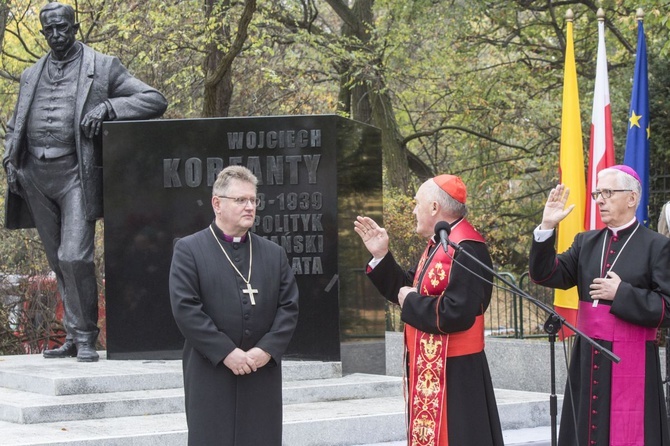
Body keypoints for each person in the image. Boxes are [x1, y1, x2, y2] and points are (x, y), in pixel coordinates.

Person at [2, 2, 168, 362]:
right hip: (34, 176)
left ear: (75, 27)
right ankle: (74, 337)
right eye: (49, 30)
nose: (57, 36)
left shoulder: (103, 66)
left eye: (63, 28)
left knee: (75, 256)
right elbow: (15, 124)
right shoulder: (31, 74)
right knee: (57, 261)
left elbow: (155, 99)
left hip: (76, 174)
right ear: (44, 32)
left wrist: (109, 108)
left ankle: (88, 335)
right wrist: (9, 160)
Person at [354, 174, 504, 446]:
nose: (413, 210)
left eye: (417, 204)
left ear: (434, 207)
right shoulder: (439, 244)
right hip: (432, 365)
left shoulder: (467, 246)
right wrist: (381, 256)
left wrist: (410, 301)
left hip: (456, 372)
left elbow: (456, 312)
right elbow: (406, 289)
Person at [529, 165, 670, 446]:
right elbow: (545, 274)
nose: (600, 200)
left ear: (631, 198)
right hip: (588, 357)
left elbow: (667, 308)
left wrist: (622, 293)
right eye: (597, 193)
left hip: (633, 362)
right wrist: (546, 227)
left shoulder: (657, 246)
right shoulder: (586, 242)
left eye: (607, 192)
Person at [169, 165, 299, 446]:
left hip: (260, 370)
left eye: (253, 200)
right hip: (211, 370)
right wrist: (227, 352)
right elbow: (185, 308)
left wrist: (266, 350)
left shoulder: (273, 254)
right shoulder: (190, 249)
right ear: (217, 203)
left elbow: (289, 307)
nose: (250, 207)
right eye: (241, 200)